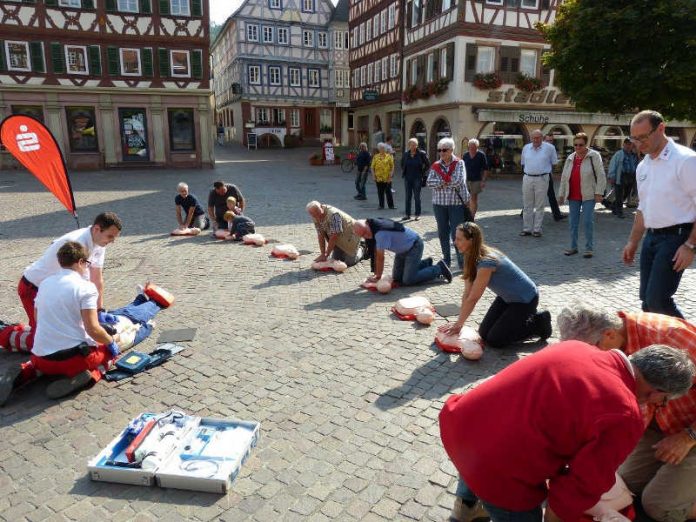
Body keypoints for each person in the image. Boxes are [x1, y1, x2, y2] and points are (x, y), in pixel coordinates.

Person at [441, 341, 695, 522]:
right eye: (662, 401)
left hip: (461, 424)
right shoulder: (625, 415)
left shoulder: (578, 347)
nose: (657, 406)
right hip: (498, 468)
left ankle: (465, 510)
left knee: (481, 453)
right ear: (658, 392)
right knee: (498, 477)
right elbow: (580, 486)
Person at [557, 304, 696, 522]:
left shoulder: (673, 336)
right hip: (663, 423)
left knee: (659, 507)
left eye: (591, 350)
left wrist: (688, 437)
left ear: (609, 334)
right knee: (624, 484)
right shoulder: (615, 343)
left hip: (690, 429)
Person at [0, 242, 168, 404]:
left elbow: (38, 319)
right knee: (110, 352)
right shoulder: (85, 287)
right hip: (74, 360)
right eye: (86, 263)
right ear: (80, 262)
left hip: (40, 358)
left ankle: (23, 372)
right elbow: (93, 329)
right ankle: (90, 375)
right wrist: (109, 342)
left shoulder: (44, 284)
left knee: (38, 363)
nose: (87, 267)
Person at [622, 110, 696, 318]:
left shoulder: (686, 160)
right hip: (652, 237)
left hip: (677, 237)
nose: (638, 144)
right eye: (634, 139)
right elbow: (643, 208)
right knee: (647, 301)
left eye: (643, 137)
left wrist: (690, 246)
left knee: (658, 300)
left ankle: (689, 344)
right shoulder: (643, 166)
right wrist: (633, 242)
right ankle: (660, 349)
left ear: (661, 128)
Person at [17, 212, 122, 350]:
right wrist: (93, 322)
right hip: (33, 288)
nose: (111, 241)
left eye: (114, 238)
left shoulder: (99, 242)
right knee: (46, 339)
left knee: (69, 333)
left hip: (56, 289)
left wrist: (99, 310)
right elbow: (80, 284)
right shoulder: (76, 242)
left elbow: (97, 278)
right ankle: (5, 334)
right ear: (97, 229)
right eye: (110, 236)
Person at [438, 222, 551, 348]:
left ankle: (538, 323)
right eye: (455, 238)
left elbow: (474, 298)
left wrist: (459, 324)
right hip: (507, 298)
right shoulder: (469, 256)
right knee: (483, 334)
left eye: (459, 239)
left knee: (495, 340)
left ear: (471, 240)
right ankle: (520, 322)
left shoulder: (486, 262)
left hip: (525, 299)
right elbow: (467, 293)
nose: (454, 242)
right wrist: (459, 322)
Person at [353, 218, 452, 286]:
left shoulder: (380, 234)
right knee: (397, 278)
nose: (366, 236)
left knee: (408, 280)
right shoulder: (372, 224)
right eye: (363, 235)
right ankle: (425, 264)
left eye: (365, 232)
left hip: (414, 246)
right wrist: (375, 273)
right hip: (401, 250)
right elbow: (373, 252)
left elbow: (380, 257)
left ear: (366, 223)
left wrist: (378, 276)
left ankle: (439, 268)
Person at [557, 132, 606, 258]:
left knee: (587, 221)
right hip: (573, 194)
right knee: (572, 222)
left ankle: (589, 248)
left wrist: (599, 192)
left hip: (589, 194)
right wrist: (561, 194)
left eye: (581, 145)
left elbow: (600, 175)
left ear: (586, 144)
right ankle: (573, 247)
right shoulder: (570, 157)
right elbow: (564, 178)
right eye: (575, 145)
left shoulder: (594, 156)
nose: (578, 147)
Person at [426, 137, 470, 270]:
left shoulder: (459, 163)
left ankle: (462, 261)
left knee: (457, 233)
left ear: (451, 150)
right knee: (442, 232)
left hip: (456, 203)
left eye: (444, 150)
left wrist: (440, 183)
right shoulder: (435, 165)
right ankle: (446, 260)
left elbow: (459, 181)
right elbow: (429, 182)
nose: (441, 152)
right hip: (439, 204)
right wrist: (444, 183)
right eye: (439, 150)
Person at [520, 129, 558, 237]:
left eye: (538, 137)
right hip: (527, 177)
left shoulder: (550, 148)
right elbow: (523, 163)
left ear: (542, 138)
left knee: (540, 205)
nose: (535, 140)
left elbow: (554, 163)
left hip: (542, 178)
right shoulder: (526, 148)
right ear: (531, 138)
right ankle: (527, 228)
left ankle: (537, 229)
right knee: (527, 204)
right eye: (533, 138)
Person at [307, 201, 363, 266]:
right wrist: (322, 254)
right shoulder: (315, 216)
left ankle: (362, 248)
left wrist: (326, 254)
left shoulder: (333, 214)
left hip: (351, 235)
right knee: (335, 260)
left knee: (349, 262)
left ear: (321, 207)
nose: (317, 216)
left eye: (317, 212)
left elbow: (335, 235)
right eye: (314, 214)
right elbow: (320, 235)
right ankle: (344, 250)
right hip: (339, 238)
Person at [607, 138, 639, 219]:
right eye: (627, 144)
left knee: (627, 194)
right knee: (619, 195)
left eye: (630, 144)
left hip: (631, 176)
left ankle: (614, 207)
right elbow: (612, 165)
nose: (628, 146)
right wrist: (611, 176)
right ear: (623, 145)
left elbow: (636, 164)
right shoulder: (619, 154)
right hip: (621, 176)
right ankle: (619, 212)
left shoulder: (634, 154)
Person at [400, 137, 429, 221]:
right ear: (408, 145)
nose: (412, 146)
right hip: (407, 178)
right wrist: (405, 171)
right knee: (407, 197)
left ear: (417, 145)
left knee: (417, 197)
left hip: (417, 178)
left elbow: (427, 164)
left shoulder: (421, 154)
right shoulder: (406, 154)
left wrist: (422, 172)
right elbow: (402, 164)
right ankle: (407, 214)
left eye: (414, 145)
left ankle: (417, 214)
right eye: (411, 145)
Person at [462, 139, 489, 219]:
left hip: (476, 180)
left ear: (477, 146)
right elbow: (461, 167)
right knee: (466, 199)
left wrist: (483, 181)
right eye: (470, 147)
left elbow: (485, 169)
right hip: (466, 180)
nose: (471, 148)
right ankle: (467, 215)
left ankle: (472, 216)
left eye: (473, 147)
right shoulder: (465, 155)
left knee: (473, 198)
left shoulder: (481, 155)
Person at [543, 134, 566, 221]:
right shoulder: (542, 149)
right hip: (540, 175)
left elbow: (554, 162)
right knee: (534, 195)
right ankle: (524, 212)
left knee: (551, 195)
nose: (549, 142)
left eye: (551, 140)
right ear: (544, 140)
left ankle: (556, 214)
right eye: (548, 140)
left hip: (547, 174)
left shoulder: (551, 149)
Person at [371, 143, 395, 210]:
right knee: (380, 192)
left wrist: (391, 175)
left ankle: (391, 206)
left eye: (384, 148)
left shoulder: (389, 156)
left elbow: (392, 166)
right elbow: (372, 167)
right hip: (378, 178)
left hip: (387, 177)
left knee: (388, 192)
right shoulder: (375, 157)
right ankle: (381, 205)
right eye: (381, 148)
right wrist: (373, 176)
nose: (383, 149)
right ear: (379, 149)